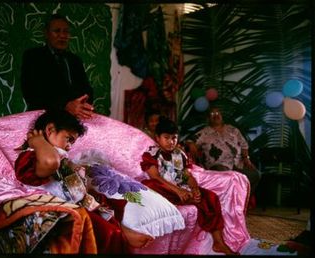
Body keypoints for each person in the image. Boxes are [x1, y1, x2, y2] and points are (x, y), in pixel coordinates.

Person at [14, 110, 152, 253]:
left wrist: (75, 172)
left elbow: (67, 181)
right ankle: (120, 235)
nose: (69, 147)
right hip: (61, 212)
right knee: (109, 233)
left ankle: (122, 231)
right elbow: (50, 162)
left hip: (77, 203)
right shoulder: (32, 155)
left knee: (106, 208)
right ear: (49, 130)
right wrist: (38, 141)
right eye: (68, 139)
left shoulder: (60, 158)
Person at [140, 116, 239, 255]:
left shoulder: (179, 154)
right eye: (166, 138)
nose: (171, 142)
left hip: (180, 188)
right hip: (165, 188)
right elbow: (155, 177)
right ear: (157, 138)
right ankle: (184, 198)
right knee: (149, 185)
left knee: (211, 197)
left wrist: (195, 188)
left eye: (174, 138)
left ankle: (219, 242)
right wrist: (177, 191)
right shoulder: (151, 154)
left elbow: (186, 175)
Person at [21, 13, 94, 120]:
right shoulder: (33, 56)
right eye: (57, 31)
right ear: (46, 33)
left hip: (73, 121)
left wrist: (83, 103)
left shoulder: (75, 60)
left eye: (66, 31)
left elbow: (86, 89)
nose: (62, 35)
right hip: (44, 120)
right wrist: (65, 105)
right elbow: (31, 93)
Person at [186, 106, 260, 195]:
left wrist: (246, 158)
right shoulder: (204, 133)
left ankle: (241, 198)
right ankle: (228, 202)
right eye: (212, 114)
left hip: (238, 164)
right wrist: (190, 143)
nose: (216, 116)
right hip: (218, 166)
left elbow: (244, 145)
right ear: (209, 118)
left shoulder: (233, 130)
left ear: (221, 116)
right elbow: (189, 140)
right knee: (226, 175)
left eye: (218, 113)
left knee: (255, 174)